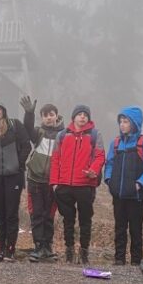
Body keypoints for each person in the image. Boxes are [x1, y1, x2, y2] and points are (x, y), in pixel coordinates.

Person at [50, 104, 105, 264]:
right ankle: (69, 251)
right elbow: (55, 159)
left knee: (85, 220)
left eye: (85, 115)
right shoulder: (62, 135)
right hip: (64, 185)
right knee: (68, 220)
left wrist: (93, 170)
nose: (82, 117)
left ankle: (84, 252)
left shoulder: (95, 135)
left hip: (85, 185)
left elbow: (100, 156)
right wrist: (54, 182)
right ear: (73, 117)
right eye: (79, 114)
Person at [104, 106, 143, 265]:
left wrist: (140, 184)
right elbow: (109, 164)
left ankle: (136, 262)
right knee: (119, 228)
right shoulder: (115, 143)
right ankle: (119, 259)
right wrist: (109, 180)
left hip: (136, 196)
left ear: (135, 123)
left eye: (126, 121)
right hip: (118, 195)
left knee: (135, 229)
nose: (122, 124)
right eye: (121, 121)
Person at [0, 100, 31, 261]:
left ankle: (11, 248)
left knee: (11, 213)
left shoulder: (14, 125)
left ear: (3, 111)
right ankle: (0, 245)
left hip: (13, 175)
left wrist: (19, 164)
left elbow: (26, 146)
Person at [20, 96, 63, 262]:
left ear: (57, 115)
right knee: (36, 214)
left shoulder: (63, 135)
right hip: (35, 179)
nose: (49, 118)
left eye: (51, 114)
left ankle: (48, 247)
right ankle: (38, 247)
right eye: (45, 115)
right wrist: (29, 113)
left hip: (53, 182)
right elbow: (27, 128)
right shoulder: (38, 132)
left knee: (49, 215)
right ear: (42, 118)